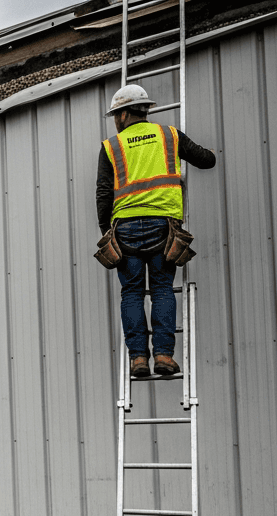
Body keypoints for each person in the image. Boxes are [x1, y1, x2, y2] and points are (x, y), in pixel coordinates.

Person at [96, 84, 216, 378]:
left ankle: (138, 360)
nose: (115, 120)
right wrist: (210, 153)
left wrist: (106, 231)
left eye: (115, 114)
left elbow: (103, 194)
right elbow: (206, 160)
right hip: (163, 227)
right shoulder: (170, 136)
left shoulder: (111, 146)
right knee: (162, 288)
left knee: (132, 293)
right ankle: (163, 355)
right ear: (144, 110)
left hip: (125, 229)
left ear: (124, 114)